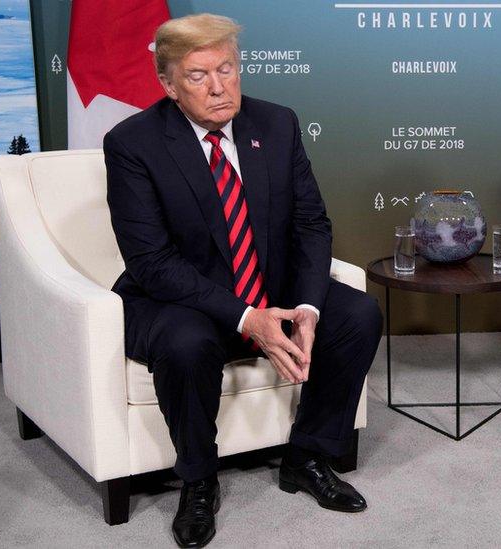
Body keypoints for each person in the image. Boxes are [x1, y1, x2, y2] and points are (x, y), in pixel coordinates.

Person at [104, 13, 382, 548]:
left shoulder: (277, 124)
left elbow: (310, 224)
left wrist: (305, 309)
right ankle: (198, 481)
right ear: (167, 85)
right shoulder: (132, 143)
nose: (218, 87)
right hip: (176, 299)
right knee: (187, 342)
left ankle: (307, 457)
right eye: (198, 75)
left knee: (357, 315)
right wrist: (247, 318)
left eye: (227, 69)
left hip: (266, 290)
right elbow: (152, 262)